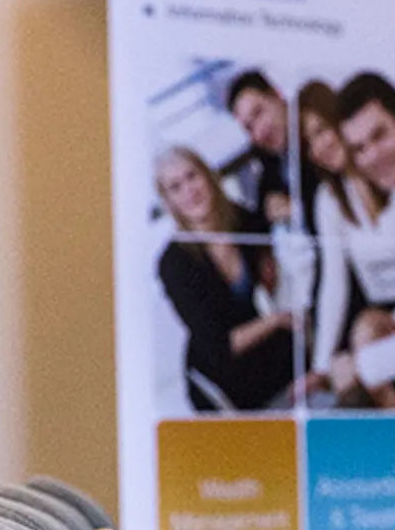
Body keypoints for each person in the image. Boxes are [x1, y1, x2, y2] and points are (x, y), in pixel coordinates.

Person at [152, 146, 299, 413]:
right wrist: (276, 320)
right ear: (169, 202)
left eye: (192, 176)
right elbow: (218, 347)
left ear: (208, 176)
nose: (189, 190)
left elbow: (273, 231)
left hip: (262, 351)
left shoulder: (240, 218)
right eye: (176, 187)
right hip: (219, 376)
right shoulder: (172, 263)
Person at [326, 71, 395, 411]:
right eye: (360, 149)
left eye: (379, 136)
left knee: (363, 386)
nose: (373, 157)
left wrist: (364, 366)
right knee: (369, 327)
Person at [294, 79, 380, 390]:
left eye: (321, 130)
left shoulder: (384, 166)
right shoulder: (328, 198)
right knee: (346, 374)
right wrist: (319, 366)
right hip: (381, 315)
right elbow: (334, 283)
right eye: (309, 142)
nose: (318, 148)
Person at [224, 69, 316, 230]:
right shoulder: (269, 165)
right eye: (249, 128)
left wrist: (295, 211)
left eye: (258, 113)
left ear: (276, 95)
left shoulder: (316, 132)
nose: (260, 131)